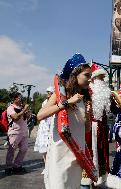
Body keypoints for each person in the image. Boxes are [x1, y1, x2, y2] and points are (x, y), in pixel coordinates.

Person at [37, 53, 92, 189]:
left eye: (90, 76)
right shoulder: (60, 95)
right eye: (87, 75)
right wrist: (67, 102)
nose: (89, 79)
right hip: (60, 154)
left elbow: (86, 130)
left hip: (76, 155)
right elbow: (40, 115)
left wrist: (88, 117)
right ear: (75, 75)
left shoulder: (84, 99)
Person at [87, 64, 111, 186]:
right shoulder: (88, 91)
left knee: (102, 153)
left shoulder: (106, 93)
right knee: (91, 152)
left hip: (102, 127)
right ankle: (89, 179)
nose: (103, 81)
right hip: (90, 128)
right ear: (93, 79)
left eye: (103, 78)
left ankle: (101, 179)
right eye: (100, 78)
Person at [5, 92, 30, 175]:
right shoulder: (10, 108)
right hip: (14, 132)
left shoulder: (22, 107)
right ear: (14, 99)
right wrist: (24, 110)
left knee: (24, 149)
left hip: (24, 132)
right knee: (11, 150)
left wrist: (27, 112)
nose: (20, 98)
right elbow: (15, 117)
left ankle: (17, 166)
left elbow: (27, 117)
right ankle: (8, 167)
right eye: (19, 97)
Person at [34, 86, 54, 167]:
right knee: (43, 146)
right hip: (44, 125)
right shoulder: (45, 102)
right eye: (47, 92)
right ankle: (46, 165)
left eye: (50, 92)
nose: (48, 94)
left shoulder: (55, 101)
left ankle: (50, 166)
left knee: (51, 147)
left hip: (51, 124)